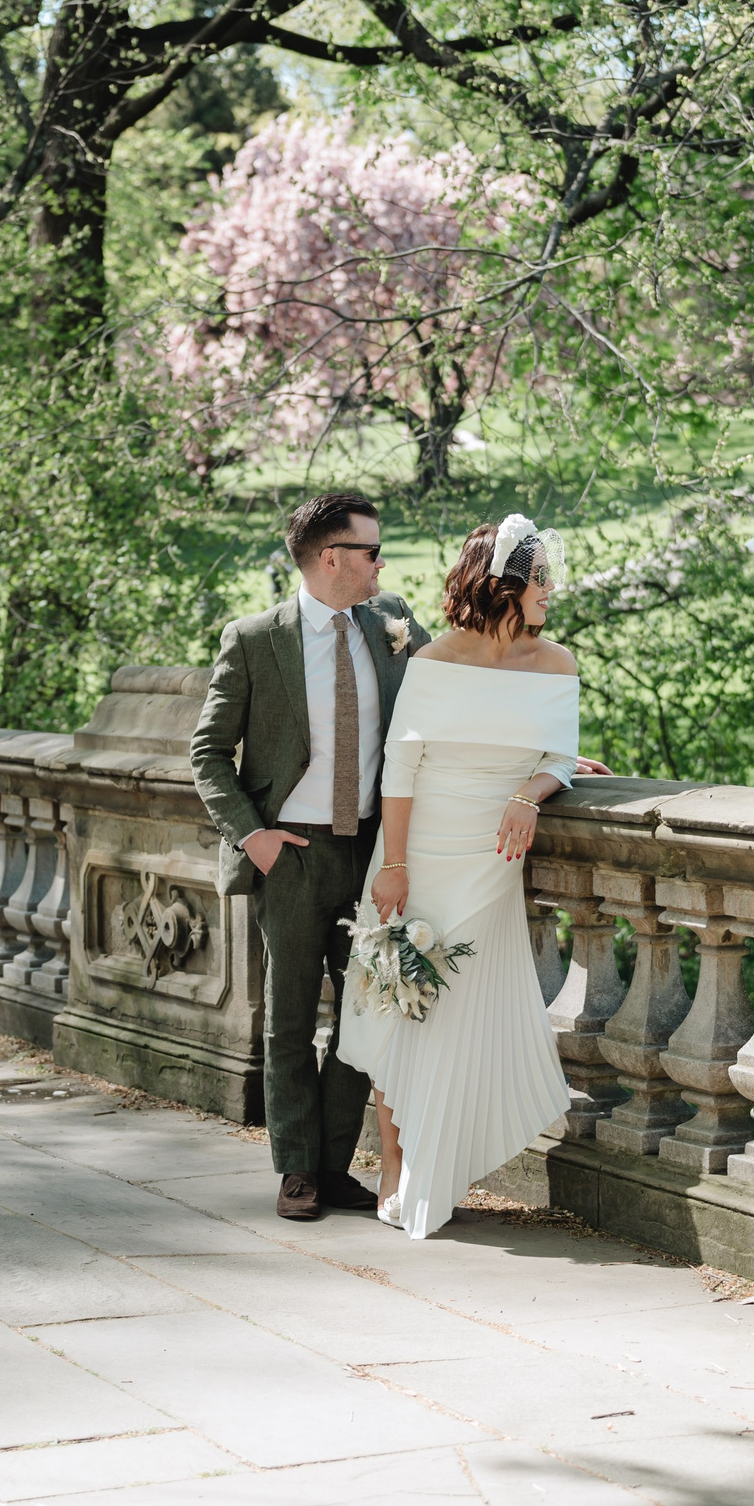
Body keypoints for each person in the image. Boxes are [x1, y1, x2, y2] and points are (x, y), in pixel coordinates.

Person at [338, 515, 596, 1238]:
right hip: (418, 855)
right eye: (539, 577)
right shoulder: (434, 661)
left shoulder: (558, 664)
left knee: (455, 1012)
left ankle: (436, 1163)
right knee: (398, 1006)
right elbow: (401, 766)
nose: (551, 590)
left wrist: (531, 792)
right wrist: (392, 867)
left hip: (491, 863)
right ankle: (394, 1164)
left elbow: (560, 756)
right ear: (503, 584)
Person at [190, 493, 428, 1222]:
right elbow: (207, 753)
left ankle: (333, 1166)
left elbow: (453, 703)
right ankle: (296, 1169)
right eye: (370, 551)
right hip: (289, 855)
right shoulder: (256, 638)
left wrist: (552, 755)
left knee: (366, 1018)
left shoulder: (395, 628)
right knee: (289, 1018)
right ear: (332, 558)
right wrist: (252, 836)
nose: (381, 563)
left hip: (369, 856)